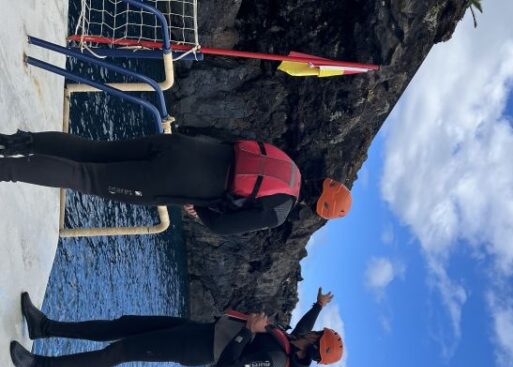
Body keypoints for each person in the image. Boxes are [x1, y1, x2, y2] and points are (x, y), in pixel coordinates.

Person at [0, 130, 353, 234]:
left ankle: (14, 142)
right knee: (84, 177)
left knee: (94, 149)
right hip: (175, 180)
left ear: (325, 181)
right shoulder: (279, 210)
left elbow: (227, 139)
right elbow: (221, 226)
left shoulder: (284, 159)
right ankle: (6, 169)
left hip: (179, 145)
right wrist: (199, 205)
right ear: (318, 210)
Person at [9, 288, 343, 367]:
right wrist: (317, 306)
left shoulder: (274, 360)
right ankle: (45, 327)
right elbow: (299, 330)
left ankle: (36, 365)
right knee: (121, 325)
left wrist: (247, 331)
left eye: (316, 337)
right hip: (196, 330)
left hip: (194, 348)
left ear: (308, 351)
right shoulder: (293, 343)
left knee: (118, 351)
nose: (311, 334)